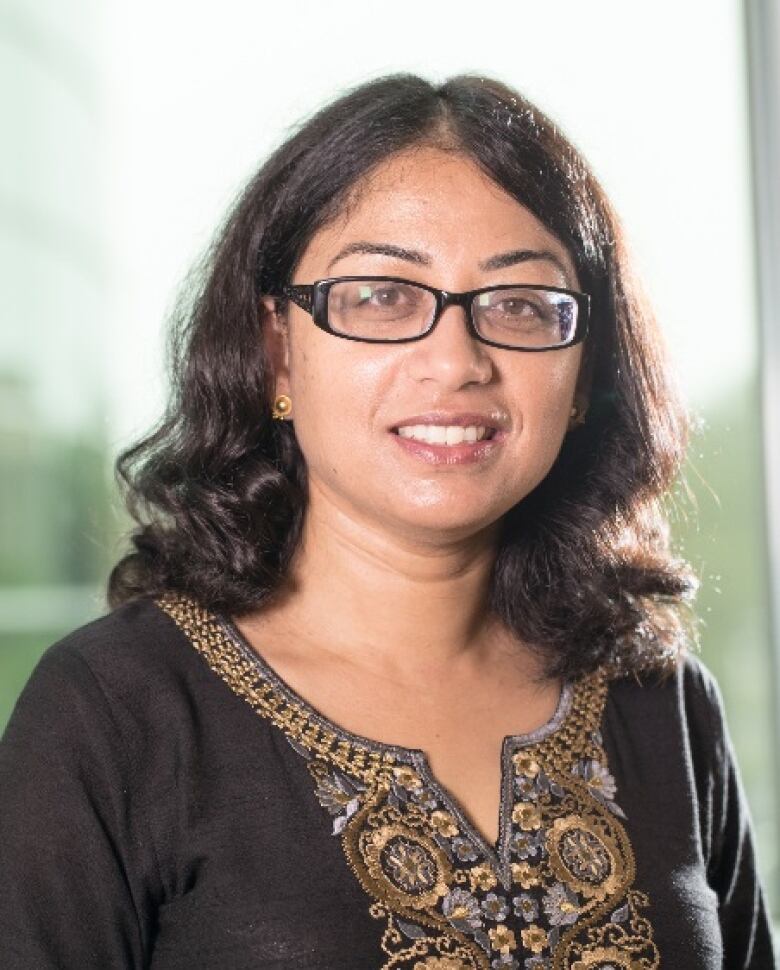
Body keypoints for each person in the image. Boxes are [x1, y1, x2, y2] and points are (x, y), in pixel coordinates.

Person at [0, 73, 775, 970]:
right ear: (276, 351)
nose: (455, 363)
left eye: (520, 305)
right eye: (382, 296)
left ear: (582, 373)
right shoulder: (118, 711)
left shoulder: (663, 702)